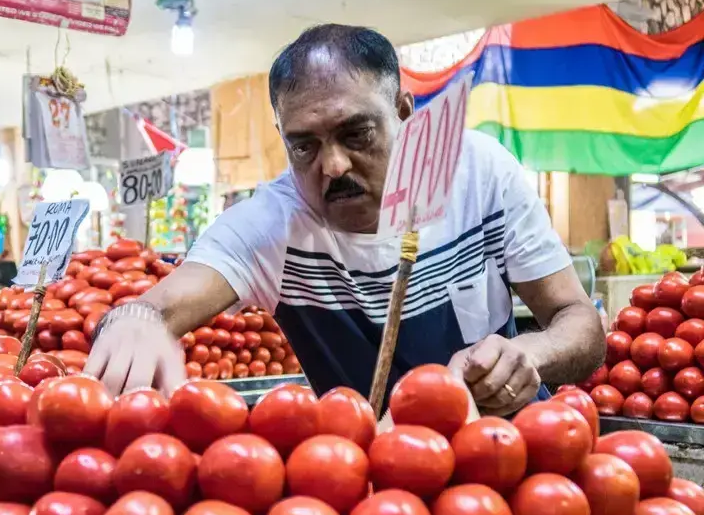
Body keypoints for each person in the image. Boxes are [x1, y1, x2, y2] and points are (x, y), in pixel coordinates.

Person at [86, 24, 605, 416]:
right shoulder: (271, 223)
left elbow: (580, 325)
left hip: (507, 449)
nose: (332, 166)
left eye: (357, 134)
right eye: (304, 145)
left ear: (404, 112)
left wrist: (528, 353)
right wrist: (134, 322)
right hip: (370, 482)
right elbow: (157, 308)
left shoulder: (479, 174)